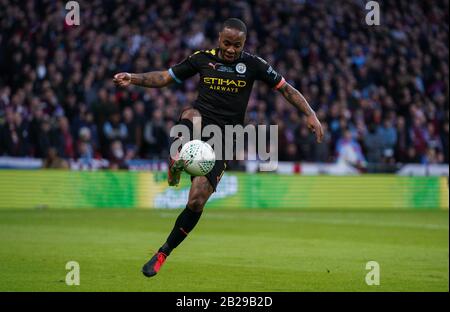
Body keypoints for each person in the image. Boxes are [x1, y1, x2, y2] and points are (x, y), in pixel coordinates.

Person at [113, 18, 323, 277]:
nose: (231, 49)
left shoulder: (254, 65)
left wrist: (310, 113)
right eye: (227, 43)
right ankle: (177, 157)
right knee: (191, 114)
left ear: (244, 44)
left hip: (225, 140)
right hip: (200, 124)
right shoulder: (202, 59)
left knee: (197, 201)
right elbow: (165, 78)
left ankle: (162, 253)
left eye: (237, 45)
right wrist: (132, 77)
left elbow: (286, 90)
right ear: (219, 39)